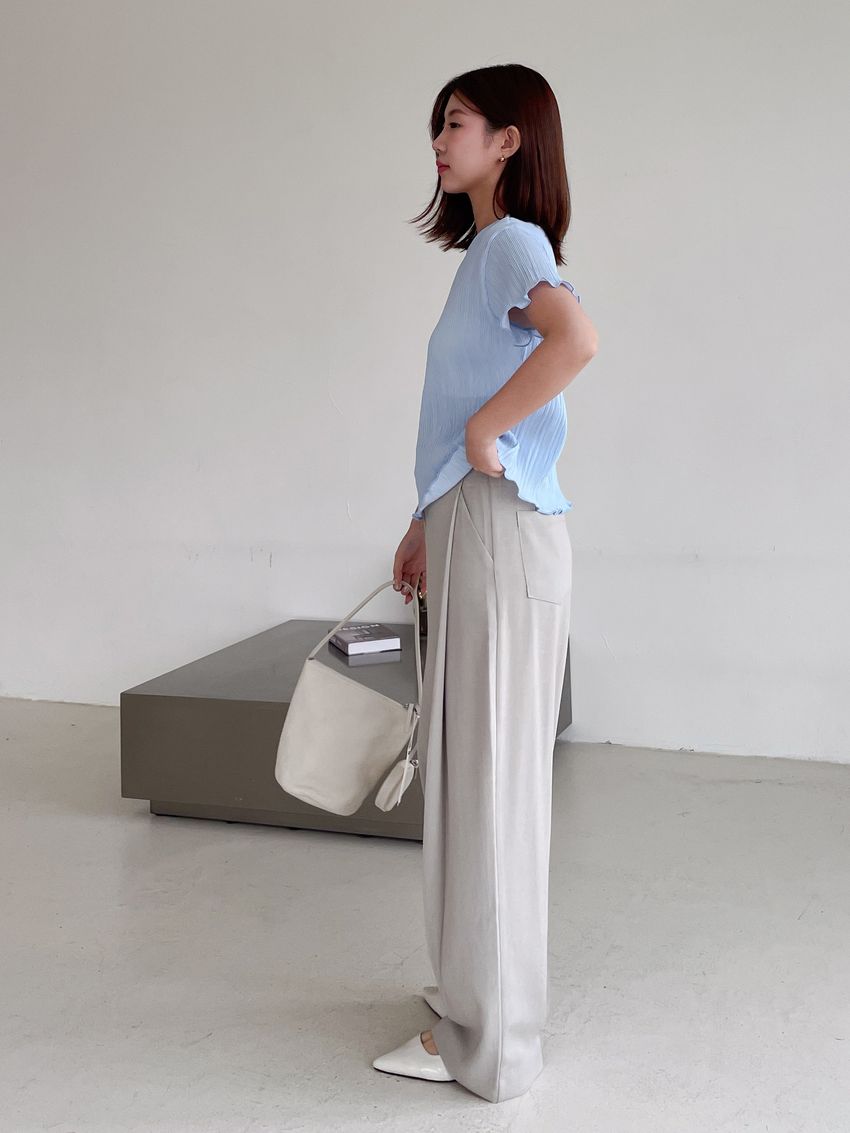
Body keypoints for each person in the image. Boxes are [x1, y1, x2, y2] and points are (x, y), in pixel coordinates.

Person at [372, 63, 599, 1103]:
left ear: (509, 140)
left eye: (456, 123)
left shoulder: (512, 242)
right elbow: (471, 395)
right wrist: (427, 515)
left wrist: (484, 432)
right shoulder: (489, 253)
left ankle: (492, 1048)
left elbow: (575, 340)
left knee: (490, 788)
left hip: (500, 530)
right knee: (477, 782)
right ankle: (468, 1011)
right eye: (439, 124)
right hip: (477, 525)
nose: (438, 139)